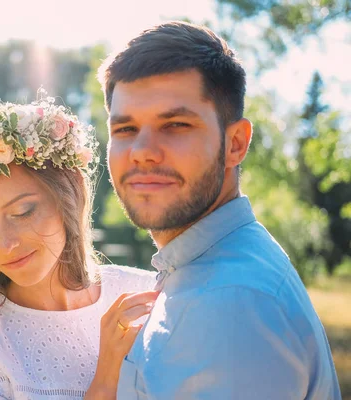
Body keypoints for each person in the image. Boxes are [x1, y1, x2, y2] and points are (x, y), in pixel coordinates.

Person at [97, 21, 342, 399]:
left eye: (175, 125)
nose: (142, 150)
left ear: (236, 143)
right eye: (125, 129)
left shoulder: (230, 303)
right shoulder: (209, 270)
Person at [0, 94, 159, 399]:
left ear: (71, 191)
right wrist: (106, 380)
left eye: (23, 213)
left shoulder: (148, 292)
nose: (5, 244)